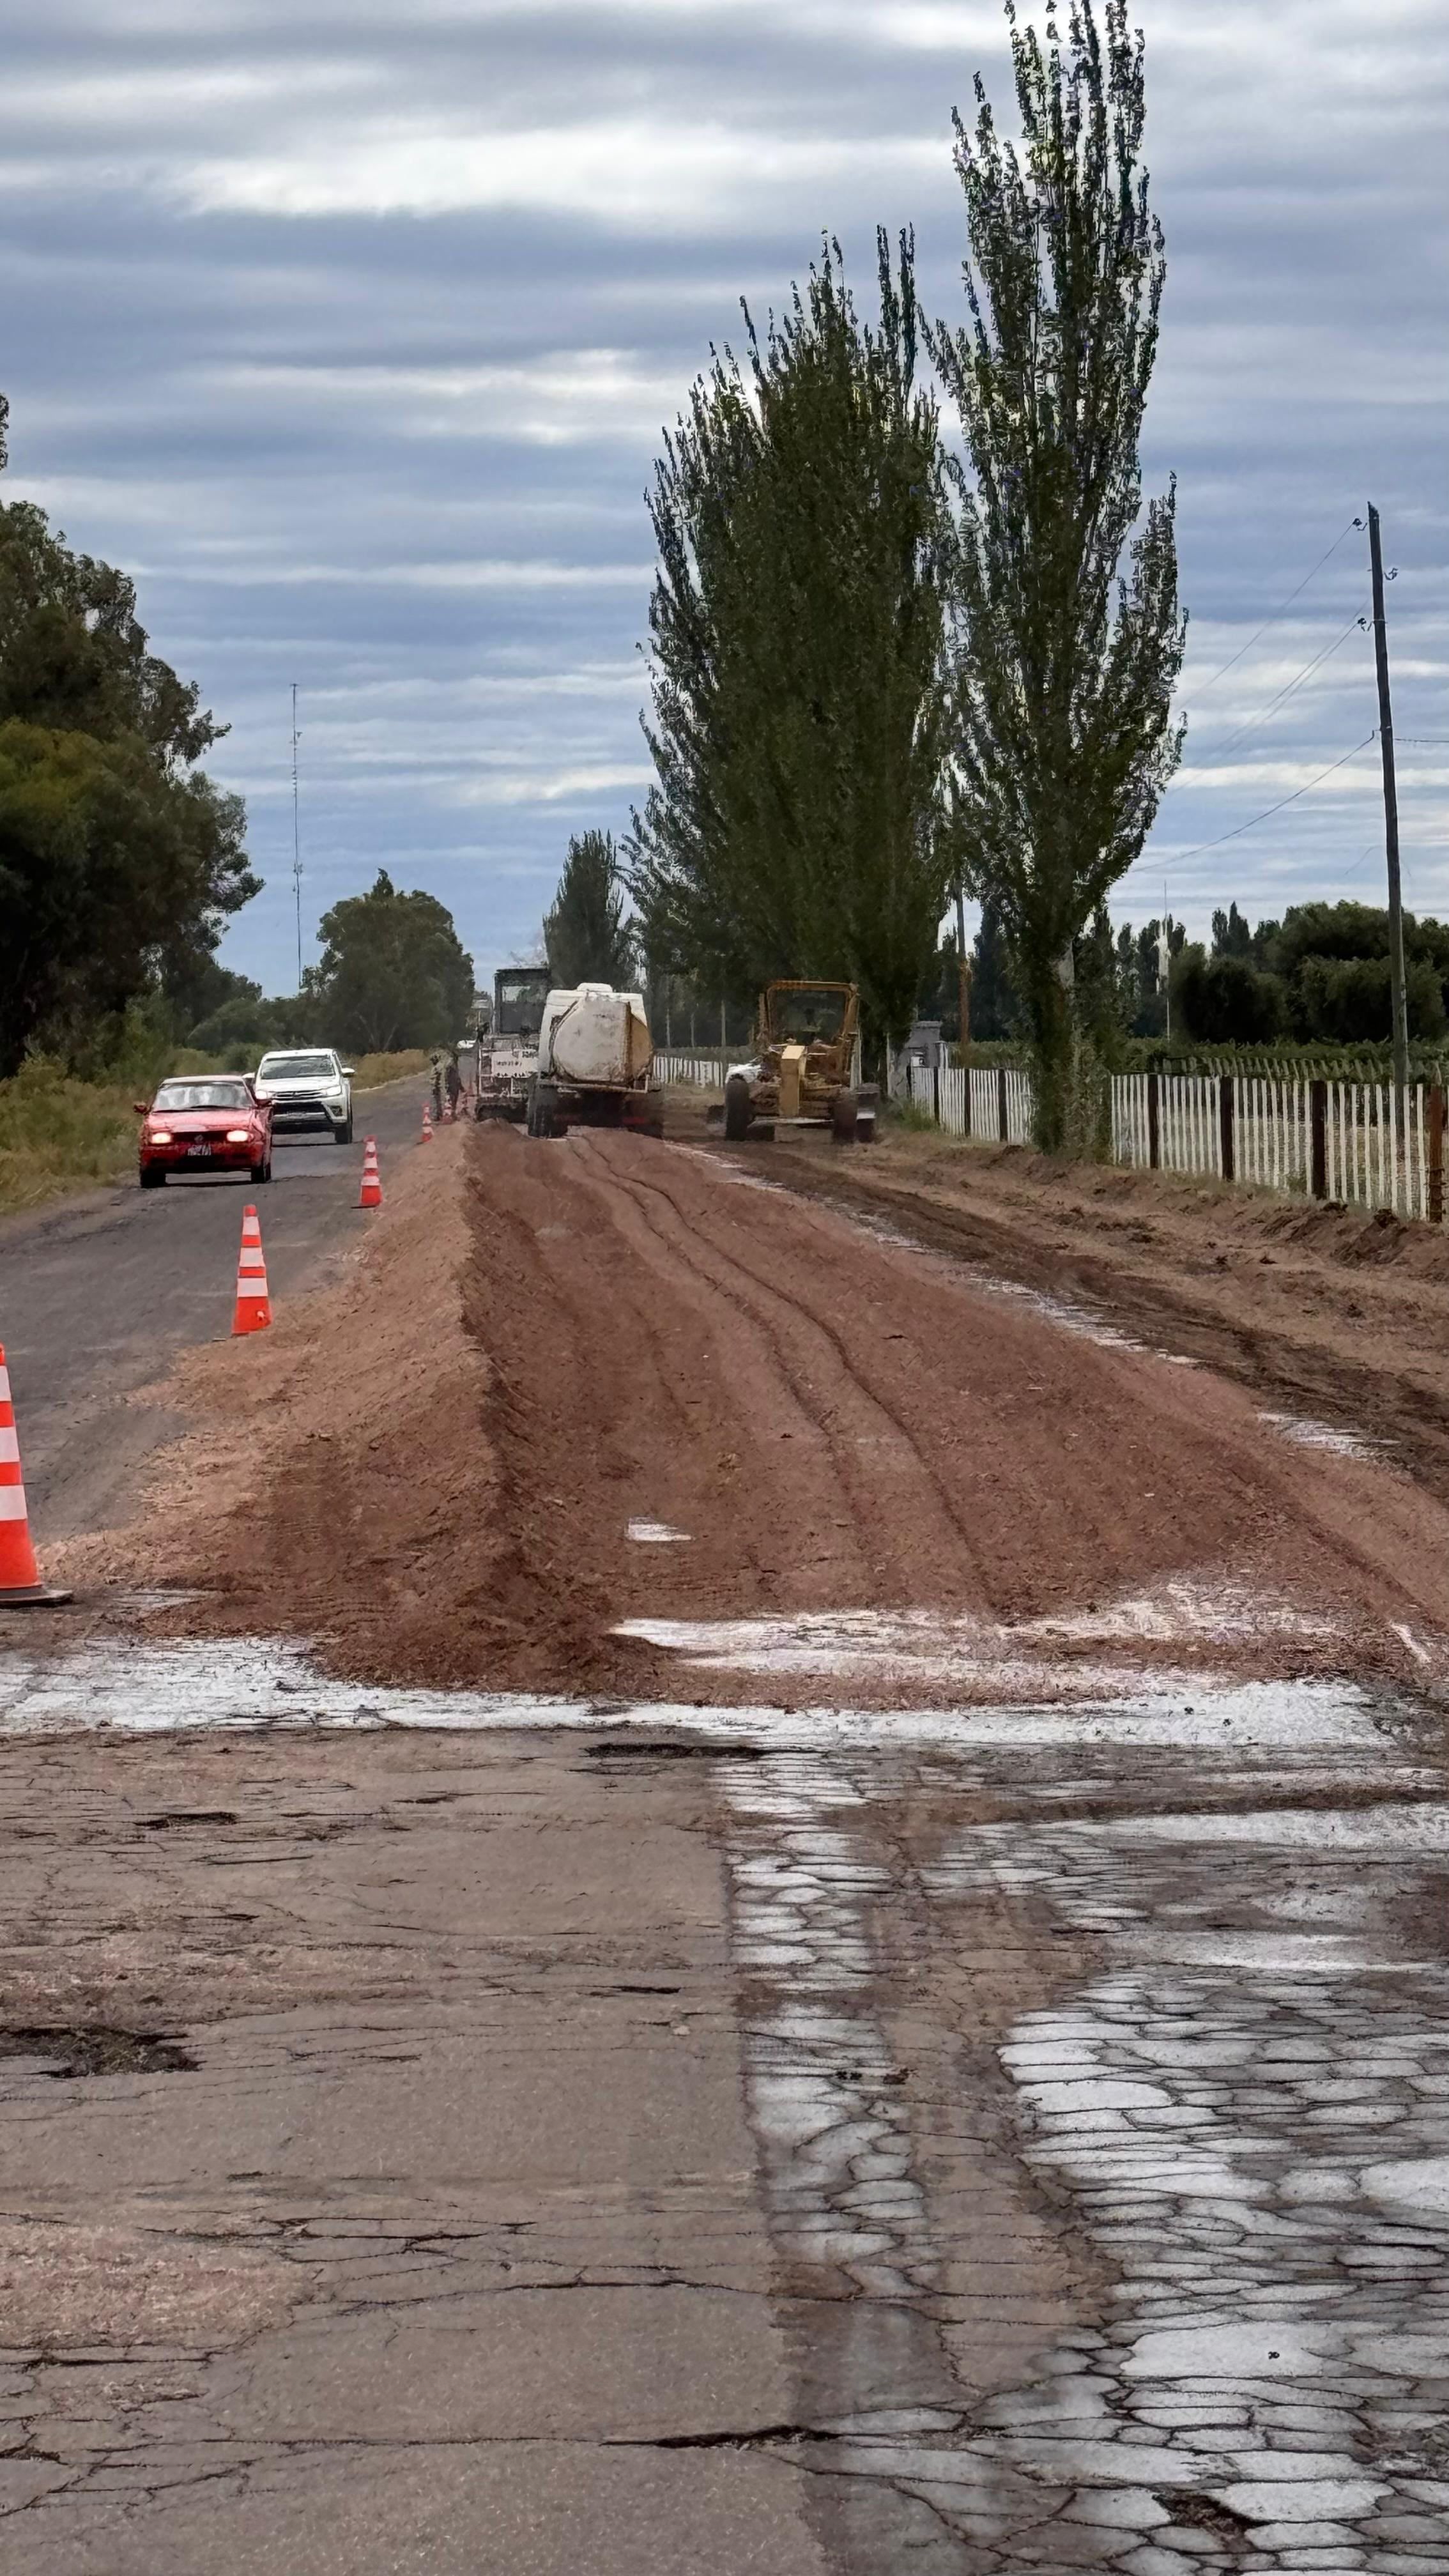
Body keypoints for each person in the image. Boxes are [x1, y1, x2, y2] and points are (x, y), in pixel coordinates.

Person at [444, 1053, 463, 1122]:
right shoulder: (451, 1064)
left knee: (454, 1101)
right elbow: (447, 1075)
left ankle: (453, 1115)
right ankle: (450, 1116)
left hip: (455, 1084)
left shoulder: (454, 1064)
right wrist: (447, 1084)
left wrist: (460, 1086)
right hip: (452, 1085)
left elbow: (457, 1077)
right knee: (451, 1100)